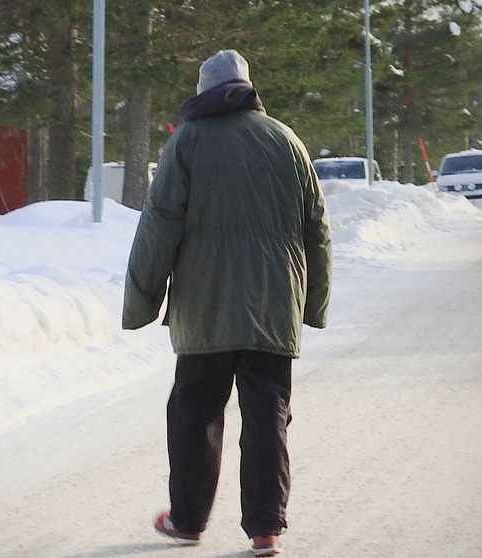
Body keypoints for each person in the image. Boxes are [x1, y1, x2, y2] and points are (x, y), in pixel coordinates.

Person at [122, 49, 331, 557]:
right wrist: (312, 303)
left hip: (204, 306)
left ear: (203, 93)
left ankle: (188, 520)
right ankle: (265, 529)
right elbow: (316, 230)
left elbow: (158, 224)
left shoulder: (188, 142)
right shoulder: (287, 141)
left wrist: (142, 300)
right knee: (267, 417)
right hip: (273, 303)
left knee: (194, 414)